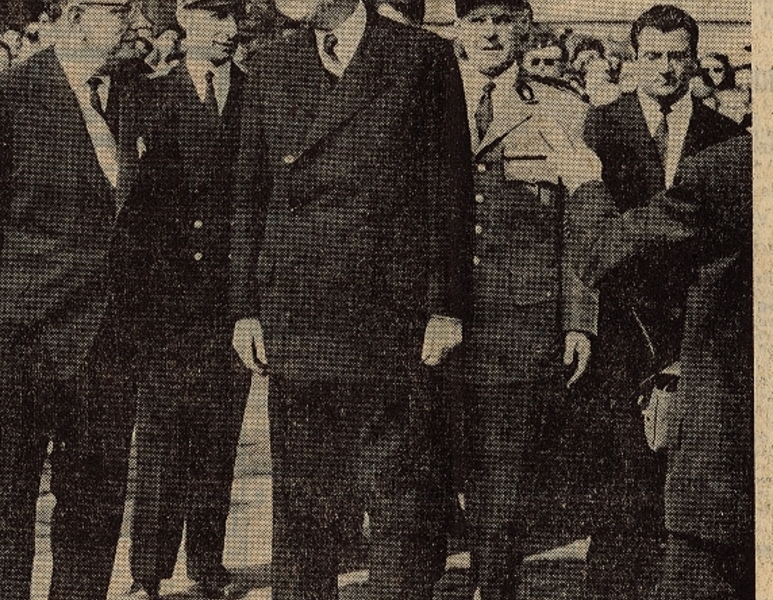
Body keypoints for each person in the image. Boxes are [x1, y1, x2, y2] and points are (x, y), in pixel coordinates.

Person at [229, 0, 473, 598]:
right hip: (299, 312)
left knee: (400, 496)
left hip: (392, 312)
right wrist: (245, 309)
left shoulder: (423, 56)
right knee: (304, 502)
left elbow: (450, 189)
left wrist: (446, 306)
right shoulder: (268, 64)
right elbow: (247, 197)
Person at [0, 0, 139, 597]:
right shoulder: (7, 94)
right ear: (75, 18)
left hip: (107, 345)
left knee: (94, 512)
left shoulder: (133, 97)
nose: (133, 24)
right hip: (19, 342)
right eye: (117, 10)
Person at [580, 5, 746, 599]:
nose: (667, 69)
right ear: (633, 60)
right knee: (620, 487)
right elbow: (586, 236)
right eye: (655, 56)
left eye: (679, 57)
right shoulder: (598, 127)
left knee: (686, 490)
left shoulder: (727, 137)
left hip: (694, 335)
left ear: (694, 60)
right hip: (622, 331)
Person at [451, 1, 608, 598]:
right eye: (477, 20)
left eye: (503, 19)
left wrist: (579, 318)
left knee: (504, 478)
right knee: (416, 473)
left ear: (524, 28)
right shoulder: (423, 96)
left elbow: (582, 224)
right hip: (428, 319)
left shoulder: (563, 108)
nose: (490, 33)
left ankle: (495, 589)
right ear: (459, 29)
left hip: (520, 323)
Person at [123, 0, 250, 597]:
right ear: (184, 19)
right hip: (166, 302)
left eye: (233, 17)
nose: (228, 30)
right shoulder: (147, 95)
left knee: (218, 440)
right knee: (159, 440)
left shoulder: (259, 93)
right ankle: (147, 573)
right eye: (214, 16)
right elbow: (131, 209)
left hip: (233, 303)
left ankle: (207, 564)